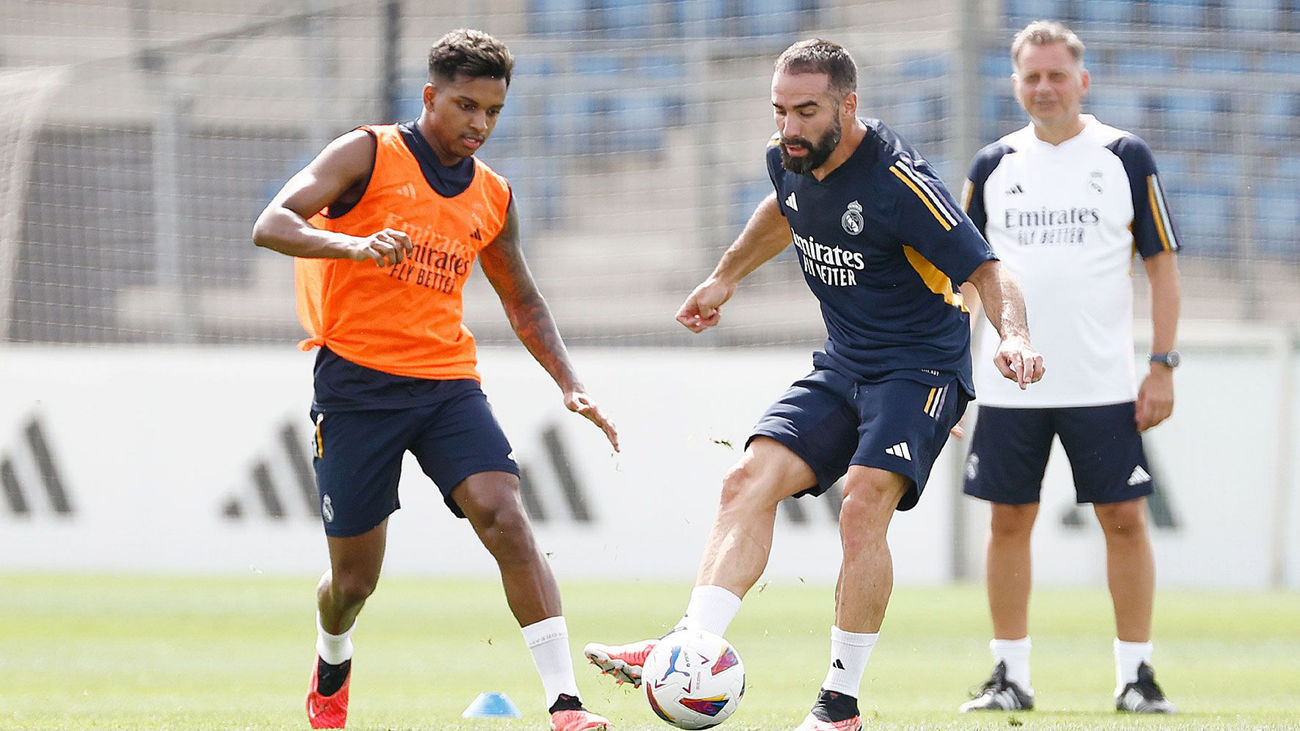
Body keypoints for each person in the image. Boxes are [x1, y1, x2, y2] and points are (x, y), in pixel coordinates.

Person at [583, 39, 1044, 731]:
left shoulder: (900, 182)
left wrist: (1014, 335)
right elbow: (784, 207)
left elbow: (989, 268)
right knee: (746, 479)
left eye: (806, 111)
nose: (789, 128)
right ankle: (692, 641)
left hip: (920, 368)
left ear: (848, 105)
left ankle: (839, 705)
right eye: (779, 112)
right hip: (845, 362)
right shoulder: (788, 158)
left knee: (861, 505)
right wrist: (726, 275)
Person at [252, 29, 618, 731]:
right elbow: (272, 222)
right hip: (356, 386)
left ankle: (566, 703)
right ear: (429, 96)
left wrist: (568, 382)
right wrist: (352, 244)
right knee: (354, 582)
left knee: (504, 514)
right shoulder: (367, 152)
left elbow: (522, 298)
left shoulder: (493, 195)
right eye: (465, 105)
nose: (478, 123)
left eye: (493, 111)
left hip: (448, 382)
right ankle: (334, 655)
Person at [956, 20, 1181, 715]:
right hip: (1006, 384)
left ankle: (1136, 676)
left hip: (1103, 382)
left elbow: (1163, 267)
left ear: (1082, 80)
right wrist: (954, 377)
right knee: (1008, 521)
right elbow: (961, 283)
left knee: (1123, 518)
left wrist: (1163, 365)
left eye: (1058, 75)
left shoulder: (1123, 155)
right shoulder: (993, 165)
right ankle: (1008, 674)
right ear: (1015, 82)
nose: (1045, 87)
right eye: (1032, 76)